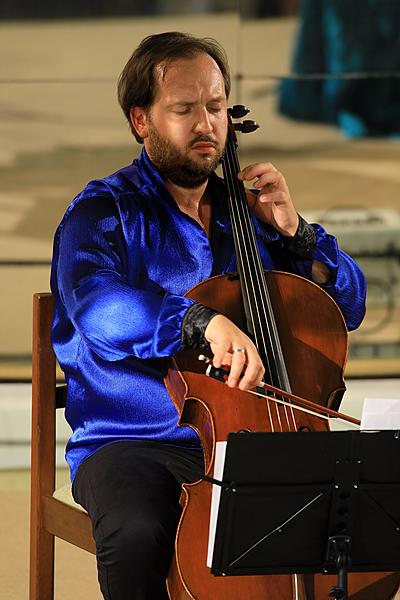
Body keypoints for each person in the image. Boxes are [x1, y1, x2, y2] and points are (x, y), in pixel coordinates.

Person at [50, 31, 366, 600]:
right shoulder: (102, 211)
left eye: (217, 107)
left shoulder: (248, 216)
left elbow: (349, 308)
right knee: (139, 532)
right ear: (141, 120)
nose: (208, 124)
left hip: (254, 437)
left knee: (358, 519)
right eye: (184, 109)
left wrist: (298, 235)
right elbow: (95, 305)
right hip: (135, 439)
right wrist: (198, 321)